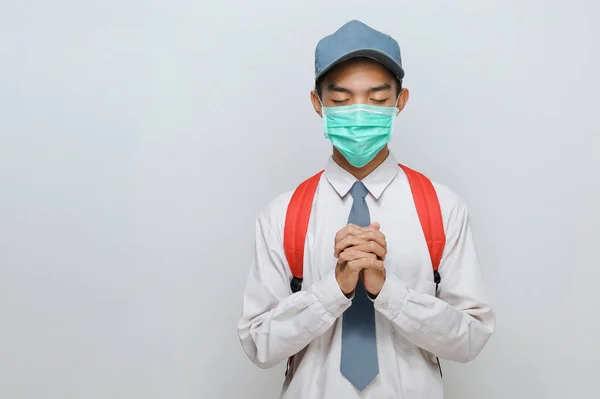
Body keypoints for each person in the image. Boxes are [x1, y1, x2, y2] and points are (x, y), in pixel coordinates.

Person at [237, 20, 495, 398]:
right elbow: (259, 344)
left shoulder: (441, 207)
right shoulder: (283, 214)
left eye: (376, 100)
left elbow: (471, 340)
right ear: (318, 104)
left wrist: (387, 290)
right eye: (341, 101)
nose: (359, 113)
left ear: (400, 101)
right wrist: (334, 289)